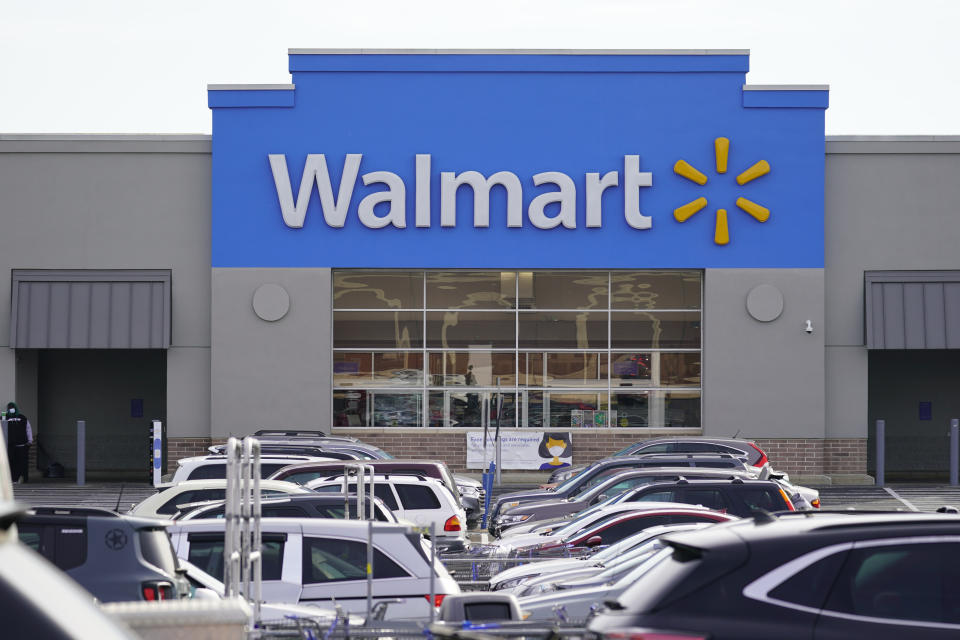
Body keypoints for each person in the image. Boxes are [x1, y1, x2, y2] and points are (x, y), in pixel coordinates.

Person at [4, 402, 33, 483]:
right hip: (10, 446)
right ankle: (12, 479)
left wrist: (30, 440)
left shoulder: (22, 417)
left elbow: (28, 429)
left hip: (22, 445)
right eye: (10, 408)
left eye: (12, 407)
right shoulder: (4, 417)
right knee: (11, 463)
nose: (11, 409)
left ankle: (22, 478)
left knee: (21, 463)